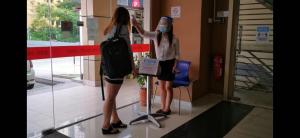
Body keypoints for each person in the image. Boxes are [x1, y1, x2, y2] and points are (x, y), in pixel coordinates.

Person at [132, 16, 180, 115]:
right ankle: (163, 108)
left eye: (165, 26)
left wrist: (175, 65)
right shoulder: (156, 35)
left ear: (170, 27)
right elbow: (143, 33)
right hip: (160, 64)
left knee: (168, 87)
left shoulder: (175, 39)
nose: (162, 27)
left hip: (170, 64)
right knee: (162, 87)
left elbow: (177, 55)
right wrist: (136, 25)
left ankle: (167, 108)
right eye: (161, 25)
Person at [101, 6, 137, 135]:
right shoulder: (122, 29)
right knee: (110, 97)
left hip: (107, 67)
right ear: (125, 17)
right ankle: (106, 126)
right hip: (117, 68)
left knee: (111, 96)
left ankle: (115, 119)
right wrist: (133, 67)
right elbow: (128, 49)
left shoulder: (109, 28)